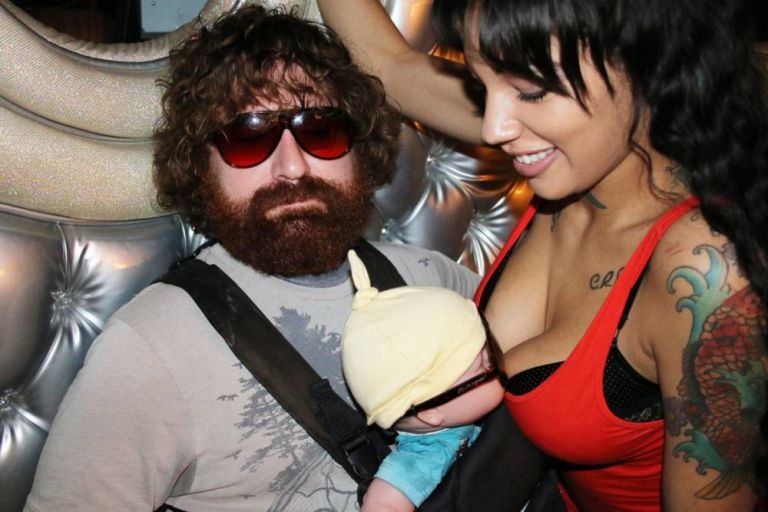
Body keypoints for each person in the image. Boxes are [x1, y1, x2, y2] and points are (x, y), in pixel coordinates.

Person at [22, 6, 486, 511]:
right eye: (248, 136)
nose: (292, 167)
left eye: (320, 128)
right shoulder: (146, 349)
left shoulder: (435, 279)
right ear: (201, 166)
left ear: (359, 148)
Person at [318, 0, 768, 510]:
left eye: (529, 88)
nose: (493, 128)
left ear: (647, 63)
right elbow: (390, 65)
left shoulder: (705, 272)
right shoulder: (569, 150)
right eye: (482, 85)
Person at [341, 249, 506, 511]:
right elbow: (383, 502)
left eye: (490, 351)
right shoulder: (425, 459)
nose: (496, 364)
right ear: (431, 412)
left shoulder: (464, 413)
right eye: (484, 368)